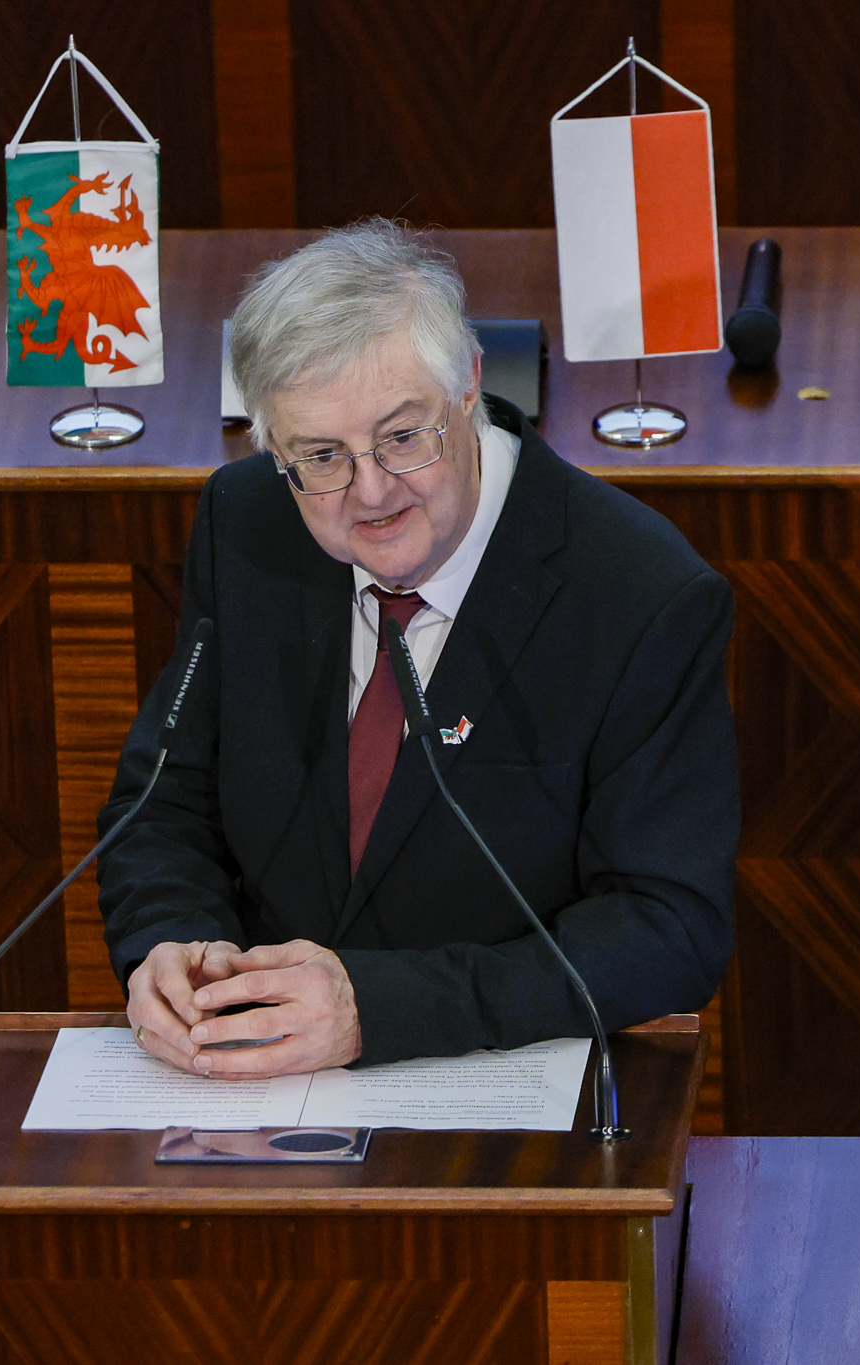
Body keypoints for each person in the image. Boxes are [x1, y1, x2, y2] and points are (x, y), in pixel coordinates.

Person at [97, 219, 737, 1079]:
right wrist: (175, 947)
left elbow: (670, 926)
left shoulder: (639, 592)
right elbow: (164, 802)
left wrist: (381, 1008)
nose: (370, 493)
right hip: (257, 1088)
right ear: (274, 445)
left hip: (507, 1089)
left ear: (468, 383)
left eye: (403, 438)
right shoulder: (245, 524)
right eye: (321, 455)